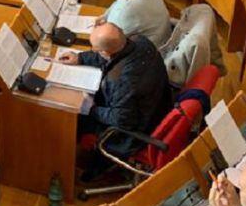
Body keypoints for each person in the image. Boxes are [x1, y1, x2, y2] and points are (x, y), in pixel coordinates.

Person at [58, 23, 172, 180]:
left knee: (74, 117)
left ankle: (91, 166)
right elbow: (111, 56)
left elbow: (121, 119)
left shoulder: (120, 80)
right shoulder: (140, 41)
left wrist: (91, 109)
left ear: (105, 52)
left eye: (96, 50)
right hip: (159, 106)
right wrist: (80, 58)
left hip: (135, 131)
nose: (96, 52)